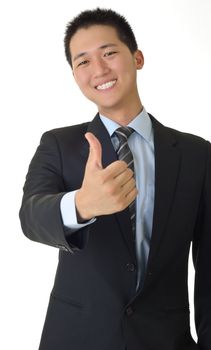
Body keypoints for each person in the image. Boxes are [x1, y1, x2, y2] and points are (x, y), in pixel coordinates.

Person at [19, 7, 211, 350]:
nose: (100, 69)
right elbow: (31, 217)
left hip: (166, 341)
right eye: (83, 62)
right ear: (75, 75)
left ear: (137, 58)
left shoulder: (197, 154)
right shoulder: (59, 144)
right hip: (76, 339)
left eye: (109, 53)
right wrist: (80, 204)